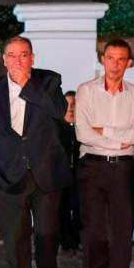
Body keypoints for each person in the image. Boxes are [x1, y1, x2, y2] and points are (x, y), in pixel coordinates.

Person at [0, 36, 71, 268]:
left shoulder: (49, 82)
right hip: (7, 176)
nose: (17, 60)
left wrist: (26, 85)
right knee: (15, 241)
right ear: (3, 59)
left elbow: (59, 112)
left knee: (47, 234)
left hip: (46, 174)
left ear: (32, 57)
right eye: (12, 55)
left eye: (23, 55)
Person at [74, 40, 134, 268]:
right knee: (93, 231)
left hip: (124, 169)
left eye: (121, 59)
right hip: (92, 167)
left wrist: (104, 132)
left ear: (129, 62)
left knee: (121, 233)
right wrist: (120, 139)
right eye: (111, 58)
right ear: (103, 60)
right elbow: (83, 133)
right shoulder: (86, 91)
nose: (115, 64)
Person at [58, 91, 81, 255]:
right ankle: (65, 240)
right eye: (67, 104)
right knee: (62, 209)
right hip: (61, 178)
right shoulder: (56, 130)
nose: (71, 108)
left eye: (74, 104)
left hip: (79, 178)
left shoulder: (83, 130)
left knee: (79, 209)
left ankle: (76, 240)